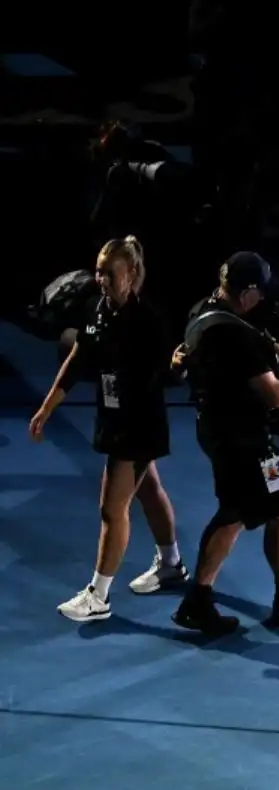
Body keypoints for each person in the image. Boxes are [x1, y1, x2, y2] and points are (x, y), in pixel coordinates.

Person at [169, 252, 279, 634]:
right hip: (242, 438)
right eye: (259, 293)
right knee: (245, 514)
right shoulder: (232, 333)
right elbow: (276, 393)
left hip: (219, 429)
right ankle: (206, 601)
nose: (262, 299)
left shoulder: (207, 312)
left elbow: (263, 348)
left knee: (268, 512)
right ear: (246, 292)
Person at [29, 237, 188, 621]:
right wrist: (47, 407)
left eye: (108, 272)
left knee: (111, 509)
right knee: (149, 490)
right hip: (115, 418)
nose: (100, 279)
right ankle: (171, 564)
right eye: (98, 270)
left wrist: (176, 366)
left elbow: (165, 373)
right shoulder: (99, 309)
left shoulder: (147, 320)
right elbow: (79, 357)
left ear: (131, 274)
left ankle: (98, 596)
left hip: (138, 425)